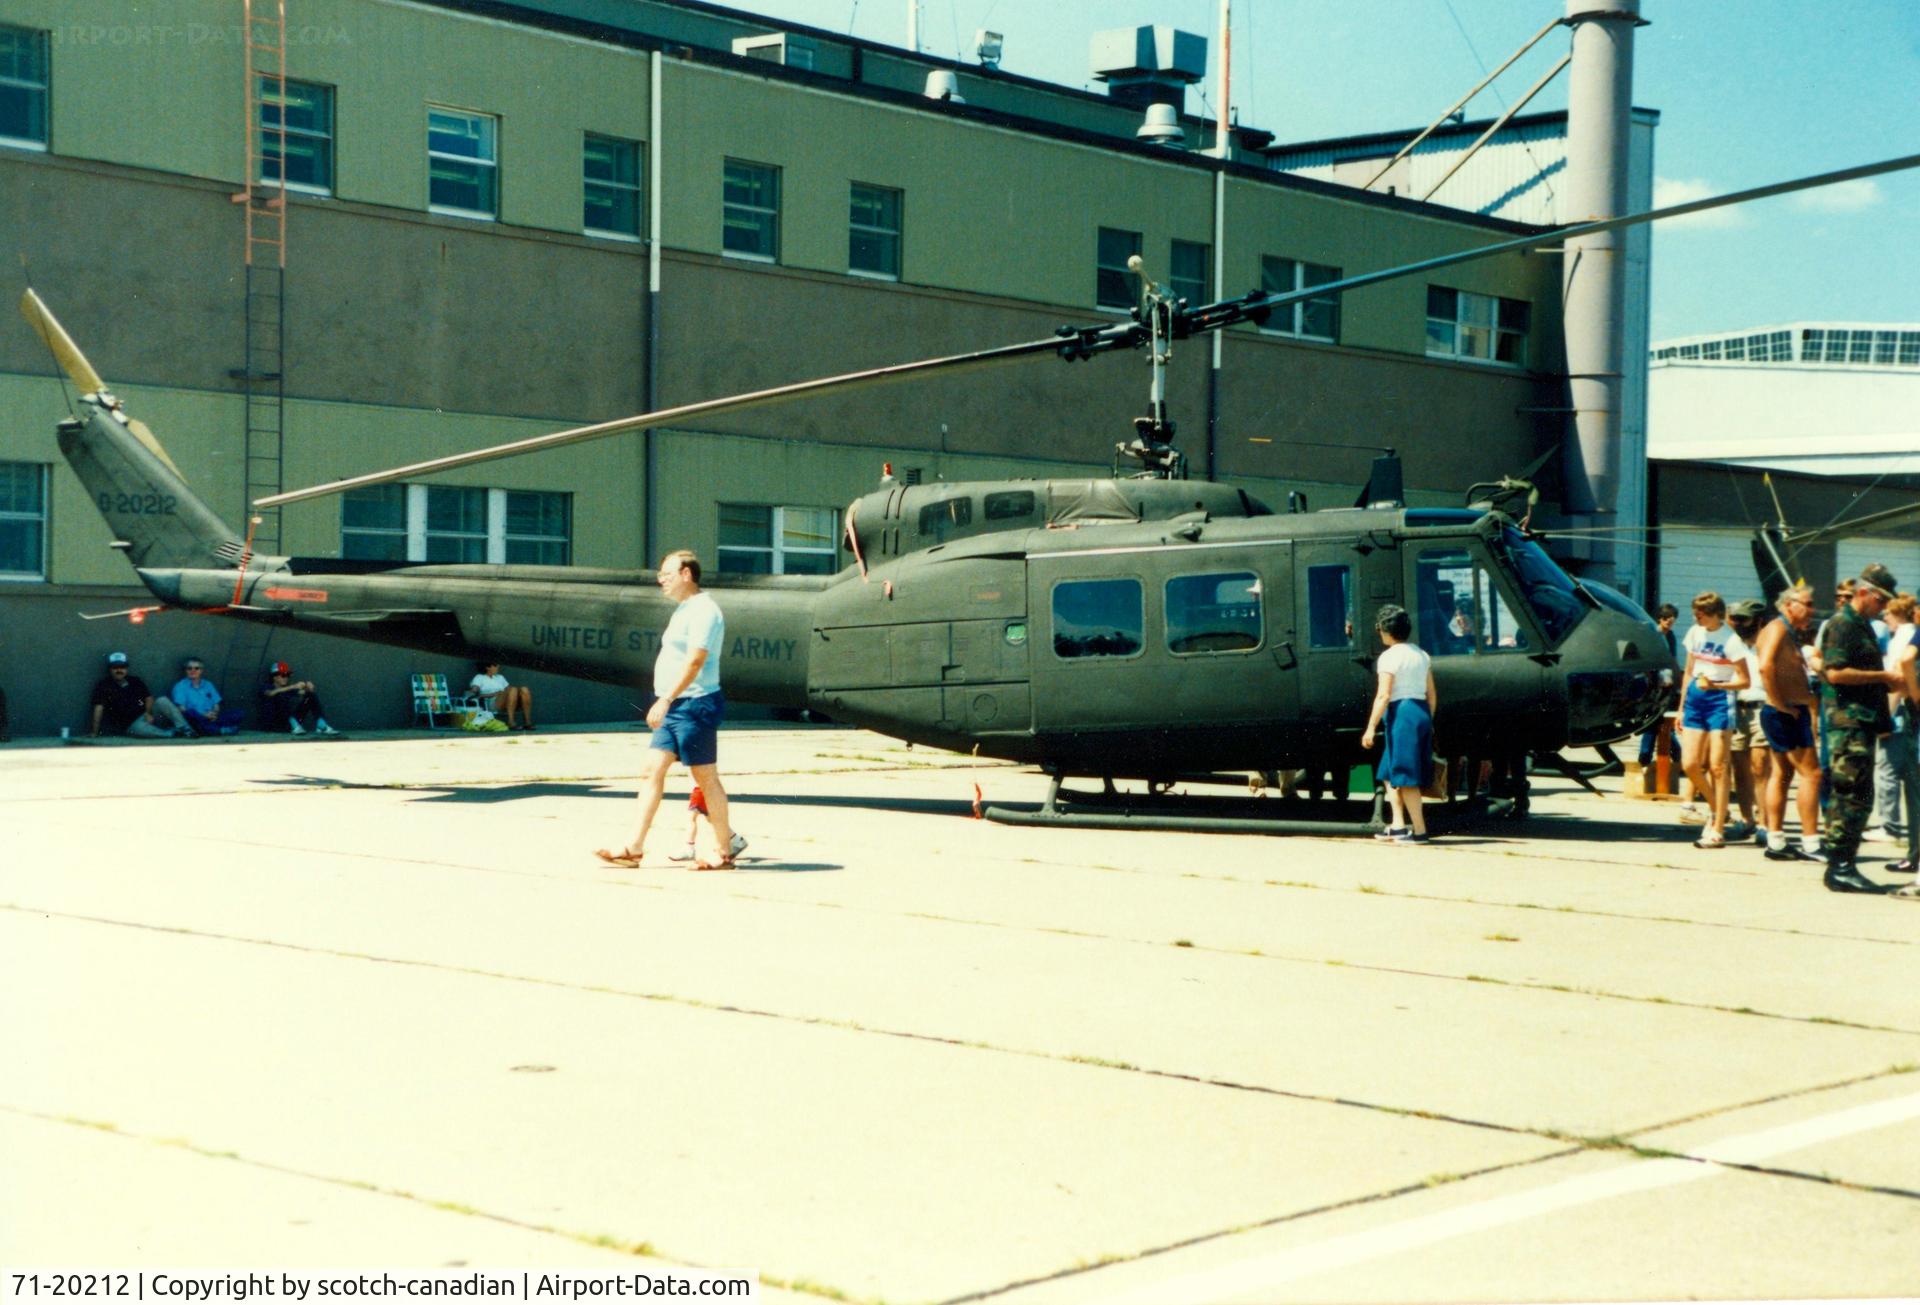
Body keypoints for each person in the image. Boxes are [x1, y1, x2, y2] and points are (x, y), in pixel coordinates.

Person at [595, 550, 743, 870]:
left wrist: (665, 699)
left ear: (687, 574)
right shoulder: (683, 610)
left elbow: (695, 660)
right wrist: (666, 700)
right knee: (651, 770)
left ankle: (722, 852)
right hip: (675, 706)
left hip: (695, 704)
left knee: (706, 779)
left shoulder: (705, 610)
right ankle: (633, 847)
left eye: (667, 574)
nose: (661, 580)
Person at [1818, 563, 1906, 894]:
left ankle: (1843, 863)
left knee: (1858, 794)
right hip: (1848, 722)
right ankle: (1840, 866)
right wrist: (1884, 678)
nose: (1884, 608)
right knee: (1850, 795)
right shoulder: (1843, 624)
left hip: (1862, 721)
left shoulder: (1863, 625)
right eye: (1881, 600)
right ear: (1864, 593)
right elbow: (1836, 674)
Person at [1756, 585, 1824, 863]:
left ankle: (1776, 841)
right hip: (1786, 712)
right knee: (1813, 774)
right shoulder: (1778, 628)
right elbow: (1765, 666)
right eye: (1806, 604)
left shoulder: (1786, 630)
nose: (1811, 609)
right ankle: (1811, 843)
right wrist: (1779, 703)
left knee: (1781, 775)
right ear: (1788, 604)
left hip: (1788, 711)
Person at [1677, 592, 1750, 850]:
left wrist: (1717, 684)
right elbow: (1687, 672)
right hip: (1695, 699)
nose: (1696, 617)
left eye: (1701, 614)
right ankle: (1717, 808)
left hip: (1720, 700)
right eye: (1695, 613)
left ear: (1715, 613)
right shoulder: (1695, 633)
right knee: (1690, 764)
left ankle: (1717, 827)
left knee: (1718, 766)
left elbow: (1745, 680)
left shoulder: (1731, 640)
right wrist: (1681, 708)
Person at [1361, 603, 1437, 845]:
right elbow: (1431, 694)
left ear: (1385, 630)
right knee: (1388, 772)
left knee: (1405, 776)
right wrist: (1427, 719)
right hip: (1420, 712)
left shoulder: (1388, 657)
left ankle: (1420, 830)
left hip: (1401, 713)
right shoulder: (1421, 654)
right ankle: (1397, 825)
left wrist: (1371, 727)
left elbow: (1383, 695)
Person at [1868, 593, 1916, 843]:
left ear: (1896, 613)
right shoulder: (1909, 635)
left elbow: (1897, 679)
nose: (1884, 617)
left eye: (1887, 613)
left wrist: (1884, 717)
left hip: (1897, 712)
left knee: (1886, 768)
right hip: (1905, 712)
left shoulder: (1901, 640)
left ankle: (1890, 824)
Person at [1724, 599, 1770, 841]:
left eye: (1744, 619)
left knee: (1761, 767)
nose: (1738, 624)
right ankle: (1746, 820)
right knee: (1740, 769)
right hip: (1738, 708)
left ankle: (1765, 822)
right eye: (1736, 619)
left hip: (1763, 707)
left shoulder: (1769, 643)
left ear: (1759, 620)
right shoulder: (1733, 644)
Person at [88, 651, 192, 738]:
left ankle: (187, 730)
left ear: (127, 668)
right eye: (115, 667)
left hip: (146, 716)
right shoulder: (103, 685)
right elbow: (98, 708)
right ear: (110, 669)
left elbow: (149, 698)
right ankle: (172, 734)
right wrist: (94, 732)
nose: (119, 670)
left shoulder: (135, 681)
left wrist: (148, 713)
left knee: (162, 700)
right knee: (139, 729)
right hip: (129, 726)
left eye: (122, 667)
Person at [1637, 602, 1683, 780]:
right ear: (1660, 619)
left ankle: (1675, 756)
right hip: (1652, 685)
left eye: (1672, 620)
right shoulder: (1652, 635)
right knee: (1651, 723)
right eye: (1667, 619)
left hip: (1667, 684)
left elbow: (1672, 659)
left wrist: (1677, 681)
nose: (1669, 622)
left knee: (1664, 725)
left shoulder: (1670, 637)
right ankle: (1645, 760)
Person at [667, 781, 748, 865]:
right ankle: (736, 839)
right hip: (705, 787)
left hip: (700, 787)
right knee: (712, 819)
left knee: (691, 817)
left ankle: (689, 847)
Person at [170, 656, 245, 735]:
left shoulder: (208, 684)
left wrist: (214, 713)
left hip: (211, 718)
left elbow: (216, 704)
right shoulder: (180, 686)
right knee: (190, 713)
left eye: (196, 668)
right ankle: (219, 730)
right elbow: (182, 708)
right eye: (189, 668)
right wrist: (203, 715)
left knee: (239, 713)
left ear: (201, 671)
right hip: (196, 718)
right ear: (186, 670)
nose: (193, 670)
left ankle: (212, 728)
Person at [259, 660, 337, 735]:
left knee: (310, 696)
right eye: (283, 675)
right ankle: (294, 725)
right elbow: (270, 693)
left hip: (290, 723)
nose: (286, 678)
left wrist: (309, 689)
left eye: (288, 675)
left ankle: (321, 725)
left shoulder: (287, 688)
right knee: (279, 695)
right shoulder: (266, 686)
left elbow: (303, 693)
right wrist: (292, 686)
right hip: (274, 724)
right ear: (274, 677)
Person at [469, 661, 535, 730]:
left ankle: (527, 722)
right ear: (487, 667)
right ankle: (511, 721)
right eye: (495, 665)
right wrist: (495, 694)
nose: (498, 667)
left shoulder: (500, 677)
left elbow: (510, 691)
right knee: (512, 690)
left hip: (509, 701)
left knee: (524, 689)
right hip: (492, 702)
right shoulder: (479, 677)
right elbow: (475, 694)